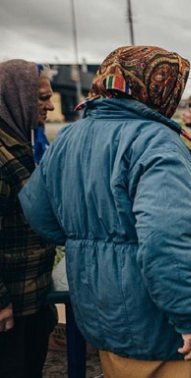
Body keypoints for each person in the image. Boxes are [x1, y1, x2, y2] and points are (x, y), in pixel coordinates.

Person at [18, 46, 191, 378]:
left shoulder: (68, 136)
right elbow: (168, 240)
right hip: (162, 329)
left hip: (101, 309)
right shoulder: (159, 143)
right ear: (161, 89)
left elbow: (36, 211)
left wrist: (86, 238)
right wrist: (190, 321)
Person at [0, 60, 56, 378]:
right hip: (10, 306)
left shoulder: (22, 143)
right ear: (15, 96)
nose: (49, 106)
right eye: (42, 98)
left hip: (30, 298)